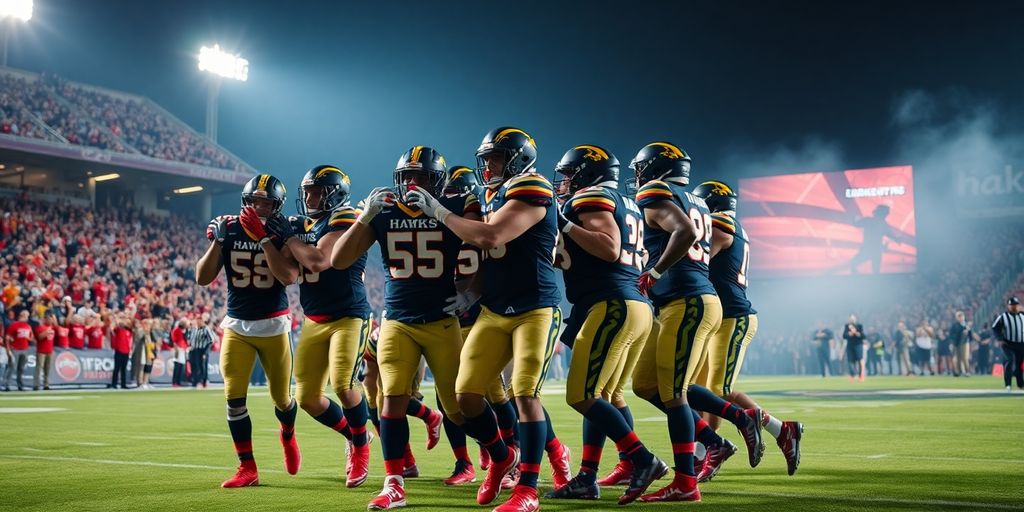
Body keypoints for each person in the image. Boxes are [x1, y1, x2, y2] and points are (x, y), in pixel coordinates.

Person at [407, 128, 563, 512]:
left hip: (535, 307)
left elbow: (492, 237)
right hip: (495, 308)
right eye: (486, 158)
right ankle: (499, 457)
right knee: (466, 396)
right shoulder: (494, 193)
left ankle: (528, 488)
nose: (487, 165)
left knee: (524, 393)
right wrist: (473, 290)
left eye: (495, 158)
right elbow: (495, 258)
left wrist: (439, 212)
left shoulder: (533, 186)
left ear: (517, 158)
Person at [331, 146, 472, 510]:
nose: (412, 183)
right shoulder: (385, 211)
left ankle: (501, 454)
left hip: (442, 320)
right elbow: (339, 259)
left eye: (421, 177)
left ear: (437, 181)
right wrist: (365, 216)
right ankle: (393, 482)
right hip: (398, 319)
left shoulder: (454, 209)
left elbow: (487, 249)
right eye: (407, 176)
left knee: (460, 405)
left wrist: (473, 291)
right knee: (389, 401)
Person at [544, 145, 667, 504]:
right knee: (607, 396)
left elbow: (609, 248)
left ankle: (642, 459)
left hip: (611, 304)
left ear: (585, 174)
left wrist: (563, 224)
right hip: (631, 304)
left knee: (581, 395)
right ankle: (588, 476)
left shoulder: (592, 198)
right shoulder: (624, 201)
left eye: (569, 175)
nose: (564, 183)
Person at [625, 142, 721, 503]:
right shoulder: (696, 199)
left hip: (687, 300)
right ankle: (721, 437)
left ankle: (686, 482)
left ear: (654, 168)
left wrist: (655, 270)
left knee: (675, 394)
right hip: (684, 300)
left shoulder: (656, 192)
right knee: (646, 384)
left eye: (641, 169)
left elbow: (685, 233)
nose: (637, 177)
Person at [689, 179, 801, 480]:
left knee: (716, 392)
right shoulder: (730, 224)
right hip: (718, 318)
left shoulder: (721, 225)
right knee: (697, 391)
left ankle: (705, 455)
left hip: (733, 317)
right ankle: (781, 430)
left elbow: (698, 261)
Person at [196, 173, 302, 488]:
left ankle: (288, 433)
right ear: (246, 201)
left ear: (277, 206)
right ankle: (248, 468)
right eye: (255, 201)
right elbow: (203, 277)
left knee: (282, 398)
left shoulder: (285, 231)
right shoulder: (228, 227)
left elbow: (287, 277)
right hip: (237, 325)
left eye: (267, 203)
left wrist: (265, 239)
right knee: (233, 398)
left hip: (273, 324)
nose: (260, 207)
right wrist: (218, 241)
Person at [278, 165, 374, 487]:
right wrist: (268, 237)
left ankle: (361, 448)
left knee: (344, 386)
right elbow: (288, 274)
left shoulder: (344, 217)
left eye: (316, 191)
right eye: (306, 191)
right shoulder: (304, 224)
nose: (308, 197)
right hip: (314, 319)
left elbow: (320, 260)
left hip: (349, 316)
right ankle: (354, 434)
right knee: (307, 398)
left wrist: (289, 238)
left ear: (334, 194)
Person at [992, 297, 1024, 391]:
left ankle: (1020, 384)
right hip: (1008, 344)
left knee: (1019, 364)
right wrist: (1000, 339)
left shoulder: (1022, 316)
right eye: (1012, 305)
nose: (1014, 307)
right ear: (1008, 306)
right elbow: (995, 328)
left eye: (1015, 305)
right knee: (1010, 360)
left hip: (1021, 344)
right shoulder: (1003, 316)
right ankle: (1008, 384)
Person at [5, 310, 33, 391]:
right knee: (11, 367)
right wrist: (8, 350)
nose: (28, 318)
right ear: (23, 315)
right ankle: (7, 385)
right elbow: (7, 338)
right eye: (27, 316)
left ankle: (20, 385)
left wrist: (28, 338)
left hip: (24, 349)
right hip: (15, 349)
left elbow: (31, 337)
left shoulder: (28, 326)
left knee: (21, 369)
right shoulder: (14, 325)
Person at [33, 311, 58, 390]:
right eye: (50, 319)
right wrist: (47, 331)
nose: (51, 321)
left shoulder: (53, 328)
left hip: (49, 350)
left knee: (47, 369)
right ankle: (36, 384)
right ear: (46, 319)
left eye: (52, 319)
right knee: (39, 368)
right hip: (41, 351)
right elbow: (40, 337)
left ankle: (46, 384)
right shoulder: (40, 328)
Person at [110, 314, 133, 389]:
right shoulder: (118, 330)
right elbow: (112, 328)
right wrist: (116, 319)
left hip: (126, 351)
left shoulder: (128, 331)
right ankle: (114, 383)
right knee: (117, 368)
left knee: (124, 369)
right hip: (119, 350)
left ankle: (123, 384)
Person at [949, 311, 976, 377]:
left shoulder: (966, 325)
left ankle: (967, 371)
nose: (960, 318)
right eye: (959, 316)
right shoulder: (955, 325)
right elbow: (951, 334)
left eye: (961, 316)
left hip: (964, 342)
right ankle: (958, 371)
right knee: (957, 358)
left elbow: (970, 335)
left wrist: (967, 332)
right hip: (956, 343)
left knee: (964, 357)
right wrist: (953, 341)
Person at [842, 315, 865, 381]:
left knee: (860, 359)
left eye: (853, 319)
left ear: (855, 319)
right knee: (850, 360)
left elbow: (863, 336)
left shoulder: (859, 326)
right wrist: (849, 334)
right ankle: (852, 375)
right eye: (850, 319)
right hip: (850, 345)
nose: (852, 320)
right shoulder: (847, 326)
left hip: (858, 344)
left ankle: (861, 375)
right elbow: (844, 336)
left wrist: (857, 333)